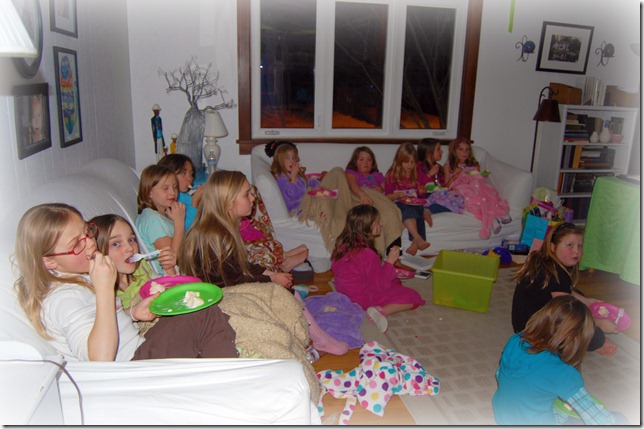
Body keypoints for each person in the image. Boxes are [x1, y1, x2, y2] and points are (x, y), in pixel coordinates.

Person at [12, 203, 238, 362]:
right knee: (202, 315)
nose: (90, 243)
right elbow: (100, 360)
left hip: (138, 349)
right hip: (130, 370)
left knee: (193, 308)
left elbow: (101, 322)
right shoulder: (64, 298)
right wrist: (103, 289)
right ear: (49, 261)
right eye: (77, 244)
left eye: (87, 232)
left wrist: (132, 313)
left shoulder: (78, 276)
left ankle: (212, 363)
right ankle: (226, 376)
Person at [179, 170, 348, 356]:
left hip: (223, 286)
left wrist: (269, 273)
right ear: (229, 203)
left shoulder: (222, 228)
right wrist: (271, 280)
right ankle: (317, 340)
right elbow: (234, 280)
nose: (253, 198)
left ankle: (311, 337)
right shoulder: (218, 236)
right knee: (283, 294)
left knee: (280, 286)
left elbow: (240, 266)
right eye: (246, 194)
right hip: (217, 296)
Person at [494, 295, 627, 425]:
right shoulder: (564, 373)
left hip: (503, 416)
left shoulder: (517, 339)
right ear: (579, 341)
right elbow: (597, 419)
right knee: (618, 419)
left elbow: (500, 374)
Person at [512, 222, 618, 356]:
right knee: (585, 329)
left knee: (578, 297)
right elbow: (567, 314)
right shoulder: (557, 275)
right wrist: (598, 324)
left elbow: (566, 290)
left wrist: (587, 301)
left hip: (524, 324)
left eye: (579, 246)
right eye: (570, 245)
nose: (576, 251)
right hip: (534, 333)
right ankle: (596, 343)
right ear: (553, 247)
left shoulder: (545, 263)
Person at [331, 204, 426, 333]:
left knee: (395, 282)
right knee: (414, 297)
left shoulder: (343, 245)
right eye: (377, 221)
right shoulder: (367, 254)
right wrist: (390, 262)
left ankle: (379, 305)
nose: (381, 224)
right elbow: (379, 286)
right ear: (367, 226)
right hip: (361, 298)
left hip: (345, 293)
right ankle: (380, 311)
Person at [89, 214, 177, 334]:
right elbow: (111, 327)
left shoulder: (140, 267)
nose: (130, 248)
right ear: (97, 253)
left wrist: (169, 269)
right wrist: (132, 313)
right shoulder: (103, 293)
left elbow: (170, 291)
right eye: (116, 244)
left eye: (131, 240)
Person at [443, 137, 510, 239]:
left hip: (476, 186)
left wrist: (481, 176)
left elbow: (478, 178)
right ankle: (492, 219)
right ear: (454, 151)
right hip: (461, 188)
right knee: (466, 192)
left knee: (484, 188)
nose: (464, 153)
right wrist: (455, 177)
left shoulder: (474, 164)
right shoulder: (448, 166)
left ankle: (497, 214)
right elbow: (446, 187)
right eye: (461, 149)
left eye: (467, 149)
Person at [240, 185, 309, 273]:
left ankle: (282, 256)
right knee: (262, 242)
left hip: (249, 231)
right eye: (246, 194)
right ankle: (283, 261)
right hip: (248, 242)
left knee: (262, 235)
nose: (252, 198)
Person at [135, 164, 186, 274]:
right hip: (168, 278)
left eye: (175, 187)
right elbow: (170, 261)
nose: (173, 192)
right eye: (165, 188)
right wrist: (179, 224)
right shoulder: (152, 219)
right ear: (149, 192)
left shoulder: (163, 215)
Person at [384, 142, 430, 255]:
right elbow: (386, 197)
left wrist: (421, 192)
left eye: (412, 162)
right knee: (408, 211)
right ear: (399, 161)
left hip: (414, 203)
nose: (409, 165)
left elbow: (420, 195)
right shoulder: (392, 175)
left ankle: (415, 243)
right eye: (406, 162)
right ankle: (417, 238)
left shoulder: (417, 173)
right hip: (398, 203)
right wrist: (397, 195)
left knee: (419, 211)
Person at [416, 138, 464, 226]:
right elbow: (416, 184)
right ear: (429, 153)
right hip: (426, 195)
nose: (442, 151)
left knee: (457, 198)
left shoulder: (439, 168)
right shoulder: (419, 166)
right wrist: (429, 174)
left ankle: (428, 211)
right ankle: (427, 209)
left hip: (438, 195)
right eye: (438, 149)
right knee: (447, 198)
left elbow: (443, 187)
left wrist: (452, 179)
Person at [266, 140, 322, 215]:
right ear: (279, 161)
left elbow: (306, 182)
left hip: (308, 202)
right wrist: (294, 177)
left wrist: (317, 185)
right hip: (298, 209)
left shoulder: (290, 173)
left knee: (335, 173)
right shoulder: (280, 178)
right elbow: (292, 196)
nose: (292, 161)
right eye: (287, 158)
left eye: (293, 157)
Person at [158, 154, 204, 232]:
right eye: (184, 173)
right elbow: (185, 229)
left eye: (191, 174)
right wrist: (195, 203)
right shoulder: (171, 200)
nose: (190, 178)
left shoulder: (185, 194)